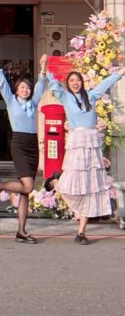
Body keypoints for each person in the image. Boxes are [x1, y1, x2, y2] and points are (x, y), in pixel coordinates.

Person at [43, 66, 125, 245]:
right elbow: (54, 84)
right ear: (68, 83)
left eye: (77, 80)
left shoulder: (91, 95)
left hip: (92, 143)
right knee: (69, 186)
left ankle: (81, 232)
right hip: (76, 142)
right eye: (72, 81)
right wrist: (45, 67)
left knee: (90, 187)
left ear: (82, 82)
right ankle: (55, 182)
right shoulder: (65, 96)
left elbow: (105, 83)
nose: (75, 83)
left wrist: (120, 72)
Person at [0, 52, 48, 244]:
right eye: (22, 87)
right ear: (16, 90)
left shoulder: (33, 103)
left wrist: (43, 67)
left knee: (25, 192)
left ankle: (21, 231)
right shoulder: (12, 101)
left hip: (32, 145)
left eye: (27, 88)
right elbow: (3, 82)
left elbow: (41, 86)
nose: (26, 90)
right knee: (27, 186)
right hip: (19, 144)